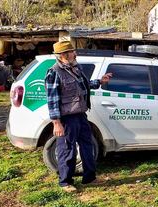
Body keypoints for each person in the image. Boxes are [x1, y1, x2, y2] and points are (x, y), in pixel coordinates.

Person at [45, 41, 111, 193]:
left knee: (88, 146)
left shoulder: (76, 67)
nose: (75, 54)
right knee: (67, 150)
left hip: (81, 115)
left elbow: (85, 85)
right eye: (72, 52)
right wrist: (56, 123)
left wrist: (100, 81)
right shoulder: (54, 72)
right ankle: (65, 182)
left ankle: (89, 178)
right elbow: (52, 100)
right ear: (63, 55)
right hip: (67, 119)